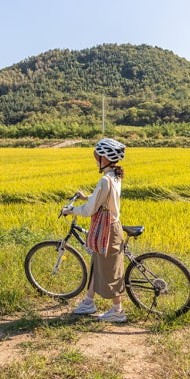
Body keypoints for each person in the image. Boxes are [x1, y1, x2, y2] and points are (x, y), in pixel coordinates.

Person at [61, 138, 127, 322]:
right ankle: (89, 302)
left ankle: (117, 311)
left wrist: (70, 210)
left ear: (104, 158)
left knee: (110, 270)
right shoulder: (114, 175)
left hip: (107, 229)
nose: (95, 158)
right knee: (98, 263)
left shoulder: (105, 180)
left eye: (97, 156)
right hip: (109, 226)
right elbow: (101, 199)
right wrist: (87, 197)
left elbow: (91, 209)